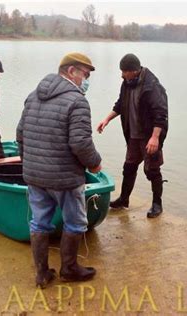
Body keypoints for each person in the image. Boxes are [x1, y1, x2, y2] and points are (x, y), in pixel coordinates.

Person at [16, 52, 102, 288]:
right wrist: (95, 163)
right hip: (64, 178)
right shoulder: (77, 101)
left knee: (39, 223)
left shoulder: (33, 96)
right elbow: (80, 143)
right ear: (71, 71)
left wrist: (29, 163)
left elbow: (20, 135)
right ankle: (69, 269)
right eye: (85, 74)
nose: (86, 80)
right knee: (75, 222)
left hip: (35, 176)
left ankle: (42, 274)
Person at [97, 53, 168, 218]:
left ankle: (157, 204)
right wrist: (106, 119)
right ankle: (124, 199)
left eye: (124, 71)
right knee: (128, 167)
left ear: (134, 71)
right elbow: (120, 104)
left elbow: (161, 114)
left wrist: (155, 138)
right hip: (133, 136)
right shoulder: (127, 83)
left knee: (152, 170)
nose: (121, 75)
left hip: (149, 136)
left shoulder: (152, 86)